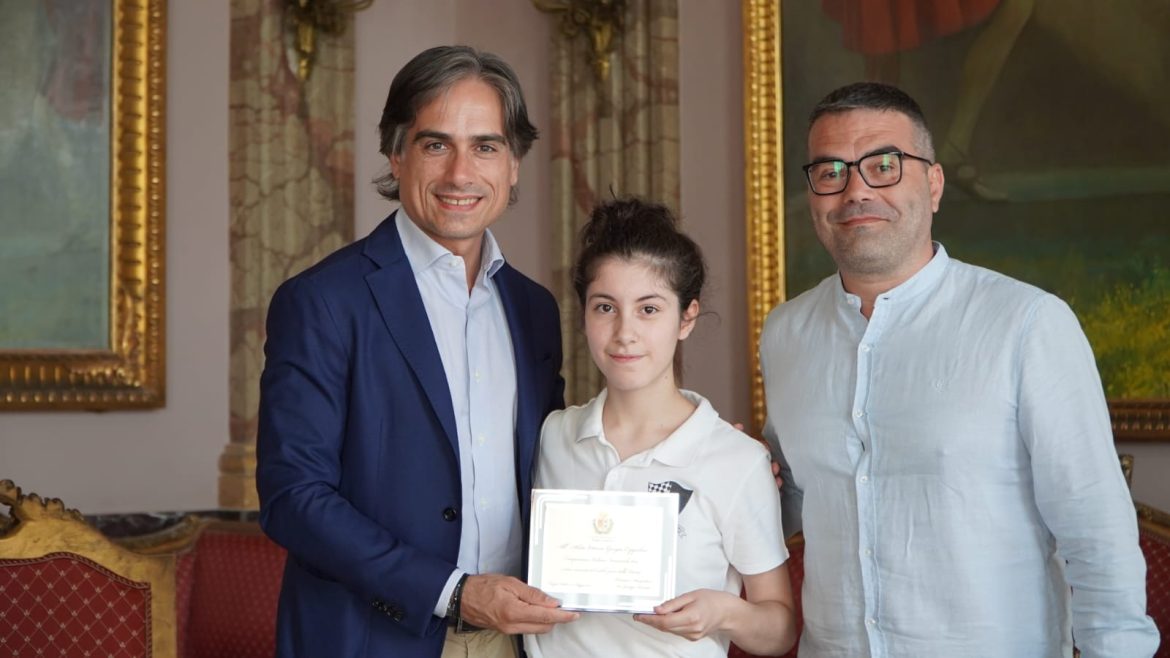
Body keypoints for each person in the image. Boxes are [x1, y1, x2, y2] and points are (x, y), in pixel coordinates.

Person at [761, 81, 1159, 657]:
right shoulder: (785, 333)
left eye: (884, 166)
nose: (856, 190)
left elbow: (1096, 530)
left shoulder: (1027, 323)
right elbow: (787, 496)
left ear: (934, 184)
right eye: (831, 171)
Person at [256, 45, 577, 658]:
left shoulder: (534, 309)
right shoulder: (322, 301)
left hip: (518, 641)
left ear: (514, 165)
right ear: (396, 154)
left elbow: (558, 460)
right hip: (369, 641)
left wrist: (691, 457)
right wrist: (453, 593)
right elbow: (293, 497)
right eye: (436, 145)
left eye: (486, 146)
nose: (461, 174)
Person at [526, 198, 797, 658]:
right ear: (584, 315)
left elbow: (780, 629)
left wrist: (723, 612)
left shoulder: (737, 460)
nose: (624, 332)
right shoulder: (553, 436)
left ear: (686, 318)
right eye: (605, 307)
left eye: (649, 309)